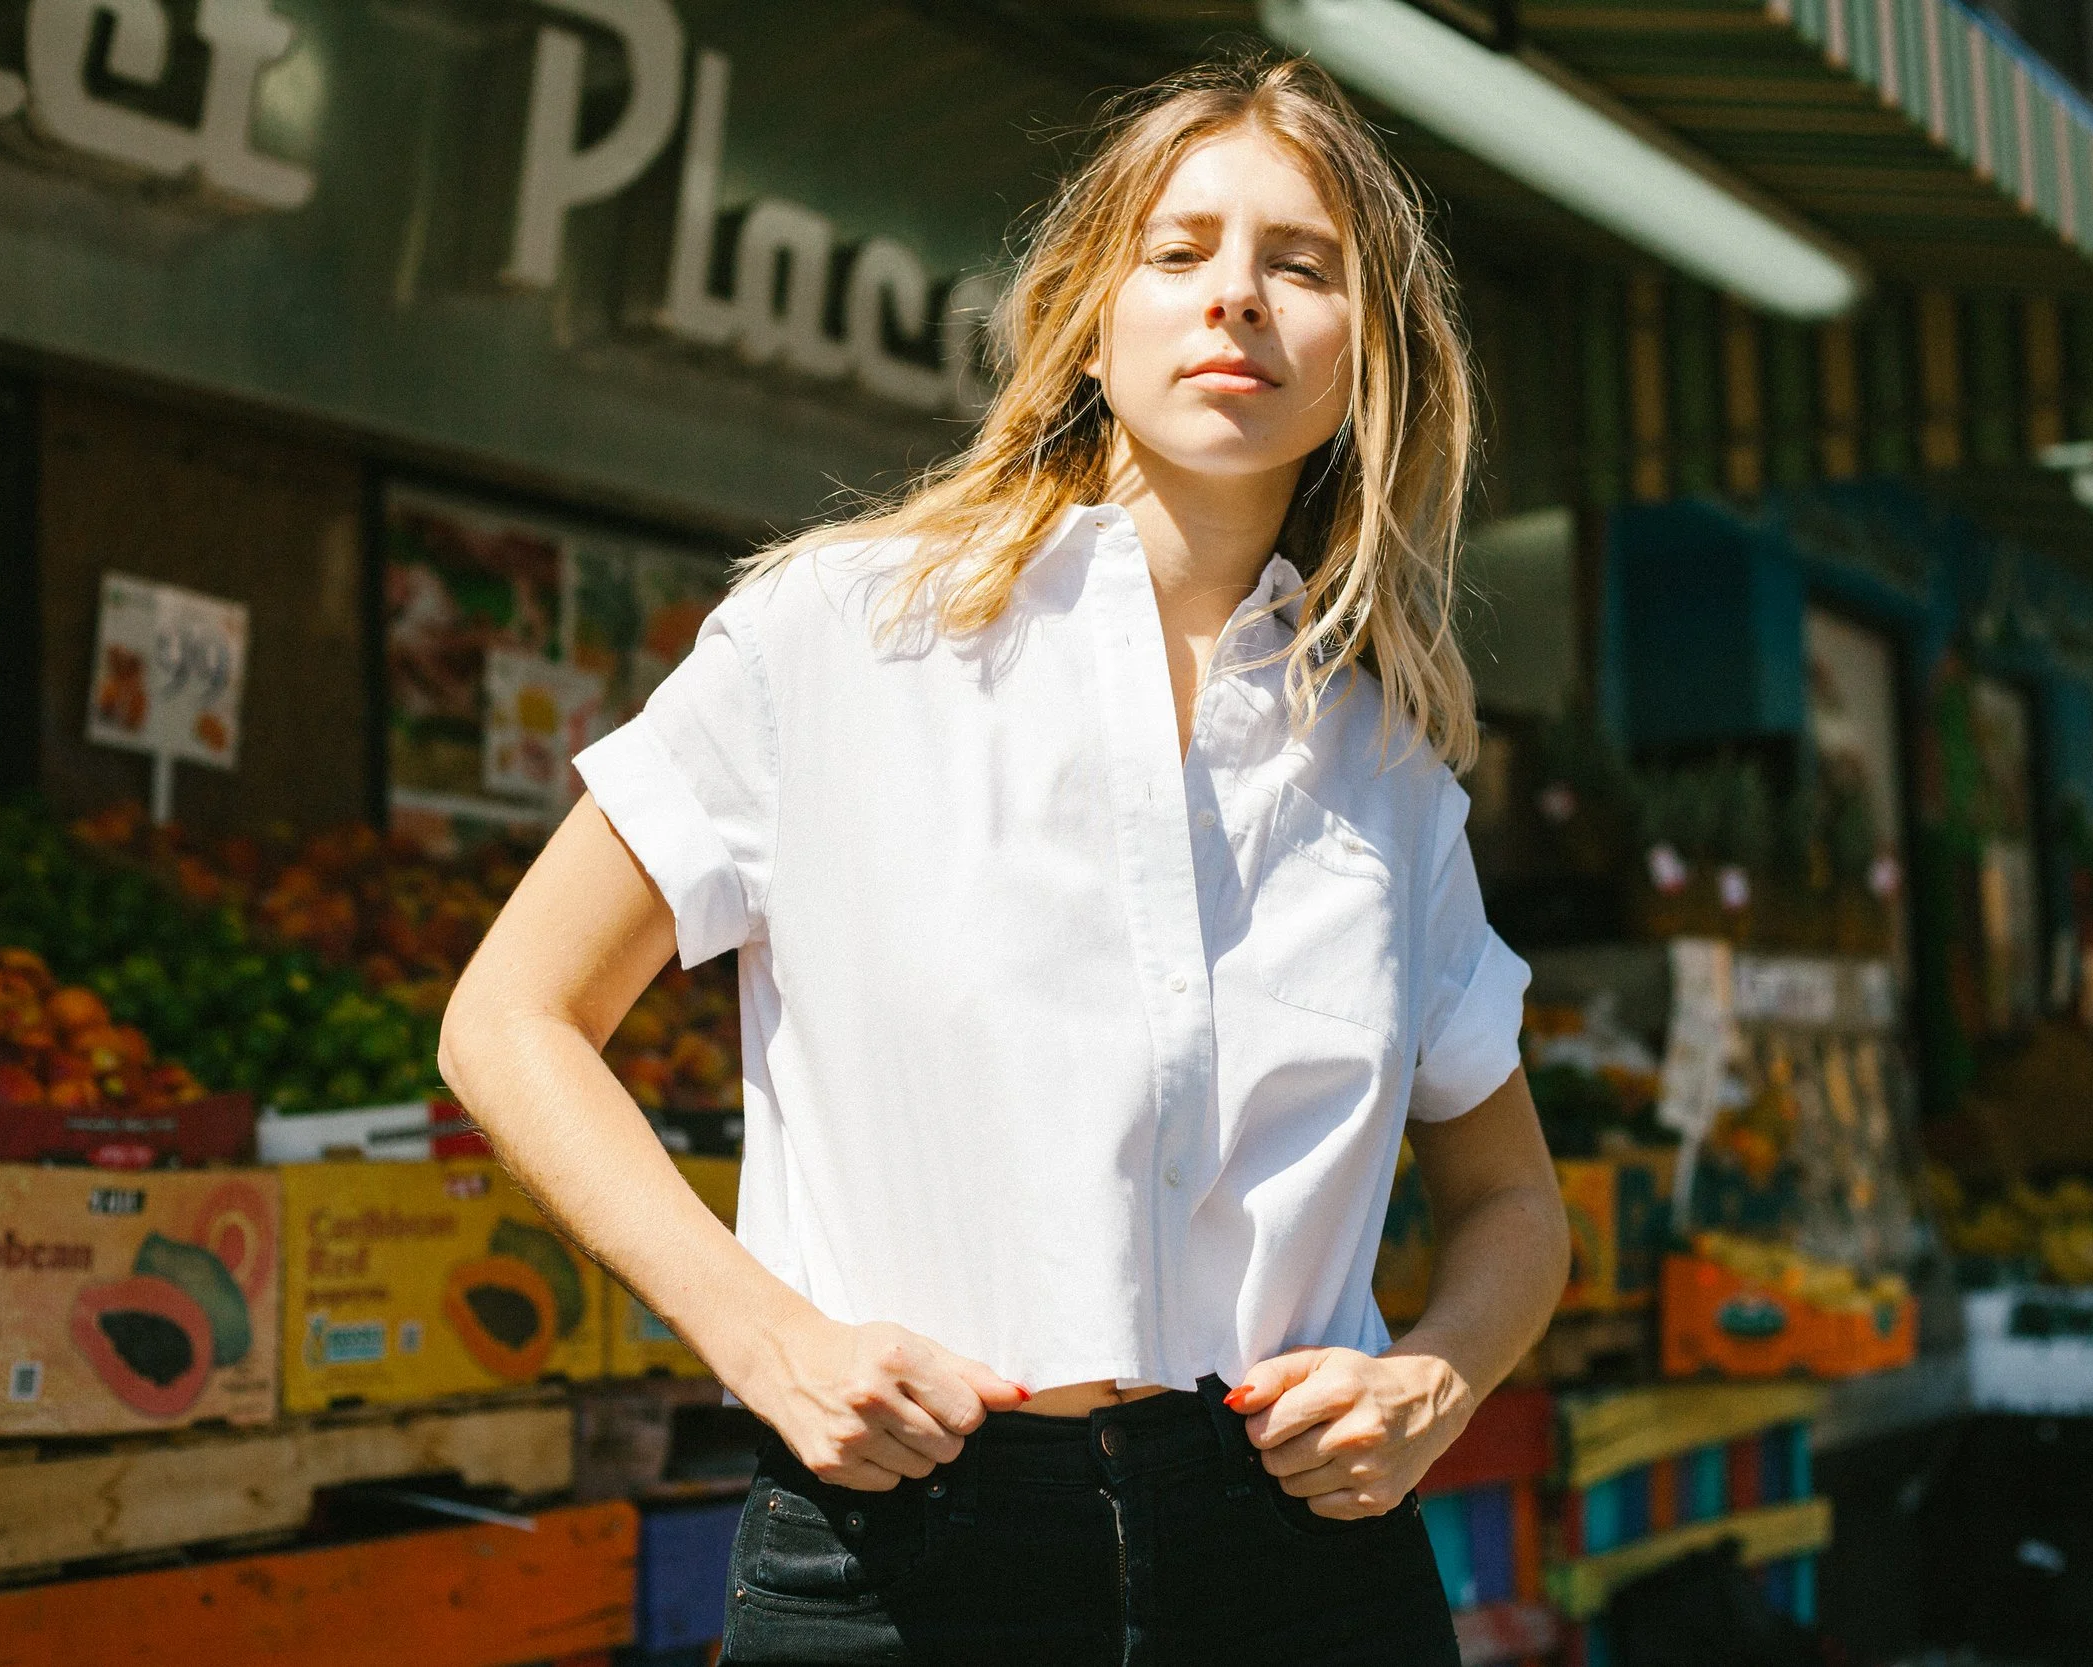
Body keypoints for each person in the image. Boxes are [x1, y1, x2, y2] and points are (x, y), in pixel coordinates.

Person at [440, 51, 1568, 1667]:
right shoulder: (840, 637)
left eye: (1301, 264)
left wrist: (1435, 1378)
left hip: (1299, 1567)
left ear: (1367, 356)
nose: (1235, 297)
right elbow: (510, 1019)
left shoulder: (1389, 771)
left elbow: (1512, 1196)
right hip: (907, 1553)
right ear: (1089, 321)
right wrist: (763, 1337)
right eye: (1178, 252)